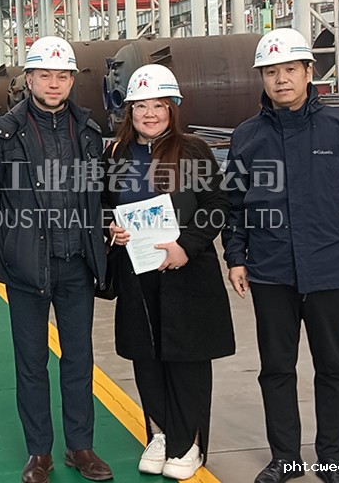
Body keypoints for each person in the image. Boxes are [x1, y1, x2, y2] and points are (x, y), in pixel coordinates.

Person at [223, 28, 339, 483]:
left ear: (309, 72)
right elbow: (234, 206)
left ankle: (332, 459)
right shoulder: (247, 137)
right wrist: (236, 257)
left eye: (290, 69)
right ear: (261, 78)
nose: (281, 80)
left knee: (334, 367)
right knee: (276, 369)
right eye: (271, 72)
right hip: (271, 271)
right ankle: (286, 459)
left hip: (330, 267)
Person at [0, 36, 112, 483]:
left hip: (77, 263)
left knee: (78, 358)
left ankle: (81, 447)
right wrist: (9, 243)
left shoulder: (89, 131)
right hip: (26, 266)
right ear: (29, 79)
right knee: (31, 361)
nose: (53, 83)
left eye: (62, 76)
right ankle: (39, 452)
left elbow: (100, 193)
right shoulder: (4, 133)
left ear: (72, 80)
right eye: (45, 75)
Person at [101, 64, 235, 480]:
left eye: (159, 105)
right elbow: (103, 205)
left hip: (186, 273)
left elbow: (217, 205)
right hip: (137, 274)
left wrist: (186, 247)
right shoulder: (116, 154)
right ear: (129, 111)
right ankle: (159, 434)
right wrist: (111, 229)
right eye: (141, 106)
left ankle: (188, 443)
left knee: (186, 360)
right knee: (147, 357)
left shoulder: (193, 150)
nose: (150, 114)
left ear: (172, 108)